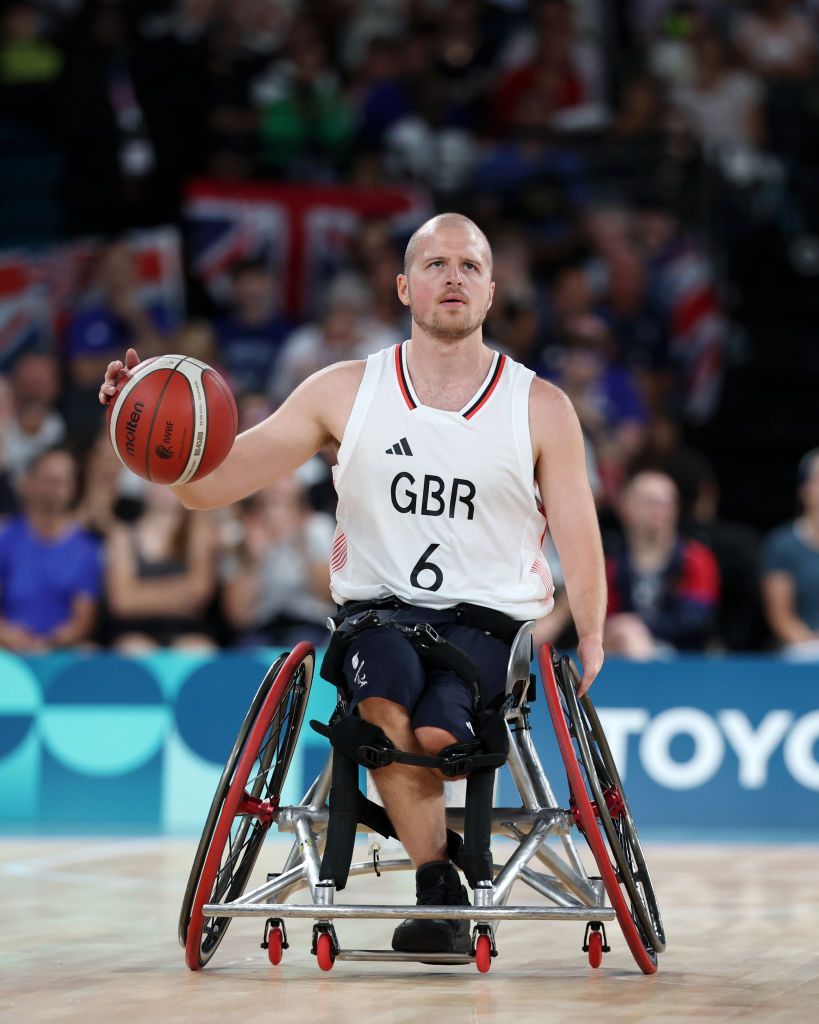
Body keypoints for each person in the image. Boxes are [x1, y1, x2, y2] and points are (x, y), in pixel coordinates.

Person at [99, 213, 606, 955]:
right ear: (404, 287)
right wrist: (148, 434)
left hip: (491, 626)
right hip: (378, 617)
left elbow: (579, 532)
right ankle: (438, 886)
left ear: (493, 291)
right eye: (435, 264)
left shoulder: (540, 407)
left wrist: (589, 630)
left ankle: (438, 872)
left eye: (469, 265)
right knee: (381, 700)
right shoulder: (343, 390)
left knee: (437, 732)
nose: (453, 277)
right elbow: (214, 486)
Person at [604, 469, 720, 657]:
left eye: (668, 503)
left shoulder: (696, 558)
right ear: (625, 506)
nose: (661, 510)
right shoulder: (612, 561)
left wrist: (639, 627)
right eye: (651, 502)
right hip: (620, 649)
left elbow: (697, 619)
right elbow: (604, 616)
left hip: (682, 657)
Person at [0, 447, 102, 652]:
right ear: (28, 483)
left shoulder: (87, 549)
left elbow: (82, 619)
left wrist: (49, 643)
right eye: (46, 479)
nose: (52, 489)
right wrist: (10, 636)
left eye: (60, 482)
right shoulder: (5, 538)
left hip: (61, 652)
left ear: (73, 489)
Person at [761, 448, 819, 657]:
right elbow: (780, 616)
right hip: (801, 650)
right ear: (805, 489)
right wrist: (809, 643)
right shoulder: (782, 545)